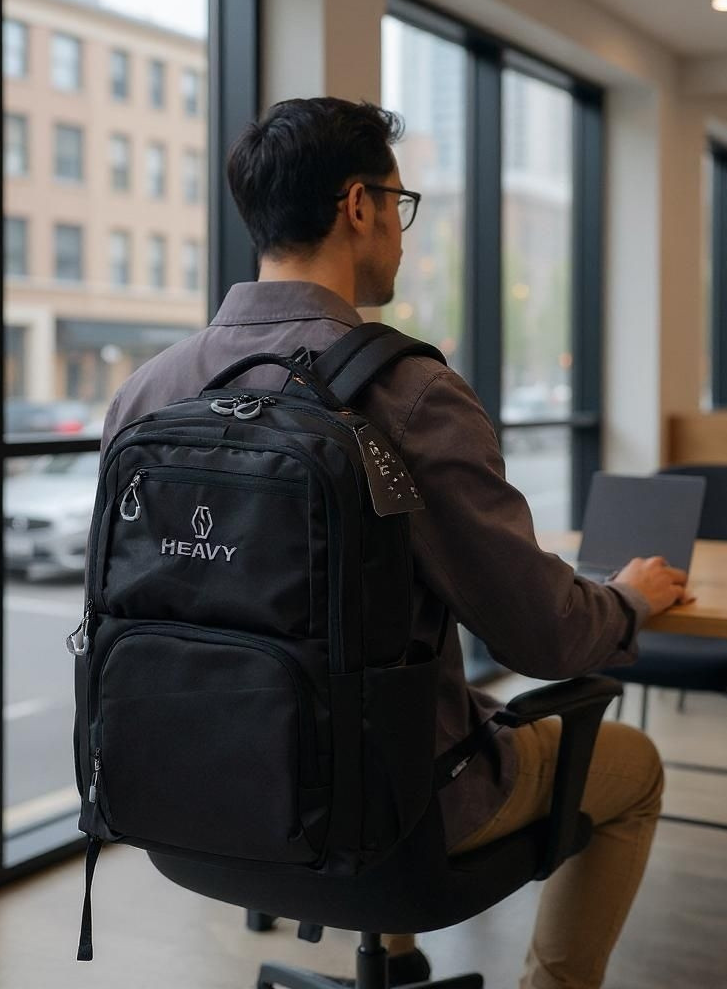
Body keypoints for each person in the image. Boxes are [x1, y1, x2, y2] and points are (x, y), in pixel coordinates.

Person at [101, 97, 689, 989]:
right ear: (359, 206)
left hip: (186, 807)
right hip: (397, 815)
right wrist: (630, 600)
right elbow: (542, 635)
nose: (403, 237)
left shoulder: (148, 393)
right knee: (633, 768)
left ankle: (396, 961)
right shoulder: (409, 393)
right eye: (400, 205)